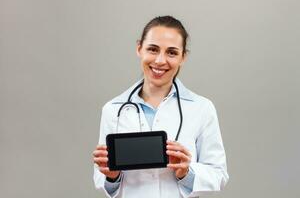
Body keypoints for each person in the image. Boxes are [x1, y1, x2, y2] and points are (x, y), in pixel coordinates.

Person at [92, 15, 229, 198]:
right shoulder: (113, 109)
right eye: (153, 49)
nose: (160, 61)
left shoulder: (202, 108)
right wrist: (111, 176)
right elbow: (104, 182)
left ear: (183, 57)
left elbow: (218, 175)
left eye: (172, 52)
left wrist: (186, 173)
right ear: (139, 48)